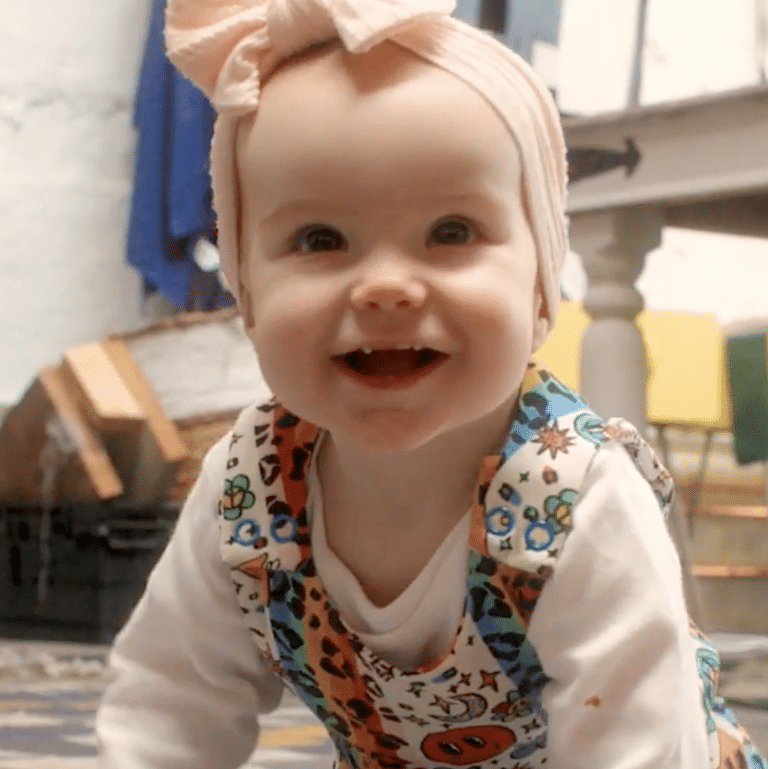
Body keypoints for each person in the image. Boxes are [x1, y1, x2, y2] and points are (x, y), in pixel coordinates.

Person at [96, 2, 767, 768]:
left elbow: (640, 743)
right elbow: (168, 704)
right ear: (246, 296)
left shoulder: (578, 497)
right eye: (321, 239)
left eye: (451, 232)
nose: (385, 286)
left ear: (541, 288)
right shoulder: (249, 491)